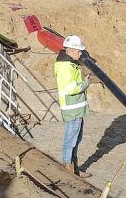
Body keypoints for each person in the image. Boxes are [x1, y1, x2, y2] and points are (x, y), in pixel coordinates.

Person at [54, 35, 92, 178]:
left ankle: (74, 169)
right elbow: (71, 89)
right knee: (71, 139)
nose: (80, 53)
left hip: (76, 108)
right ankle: (68, 170)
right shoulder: (65, 66)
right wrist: (85, 83)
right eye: (79, 51)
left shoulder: (71, 64)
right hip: (72, 108)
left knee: (77, 138)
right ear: (70, 50)